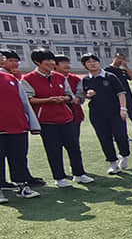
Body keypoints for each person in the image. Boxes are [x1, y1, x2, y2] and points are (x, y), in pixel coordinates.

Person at [21, 50, 92, 187]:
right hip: (46, 121)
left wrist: (64, 98)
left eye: (52, 60)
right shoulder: (28, 79)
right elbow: (28, 99)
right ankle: (59, 178)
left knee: (74, 147)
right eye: (48, 60)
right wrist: (48, 100)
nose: (52, 63)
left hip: (66, 118)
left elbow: (69, 95)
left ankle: (79, 173)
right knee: (53, 150)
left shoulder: (59, 77)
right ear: (37, 62)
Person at [0, 49, 41, 203]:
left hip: (17, 126)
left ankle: (23, 186)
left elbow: (24, 103)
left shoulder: (11, 78)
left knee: (19, 158)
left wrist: (32, 123)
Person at [80, 54, 131, 175]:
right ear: (85, 65)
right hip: (97, 113)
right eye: (89, 62)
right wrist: (88, 95)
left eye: (94, 61)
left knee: (121, 135)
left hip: (115, 111)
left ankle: (124, 155)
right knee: (104, 138)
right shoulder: (86, 80)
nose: (92, 64)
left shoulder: (110, 77)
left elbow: (121, 93)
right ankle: (113, 163)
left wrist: (123, 109)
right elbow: (84, 96)